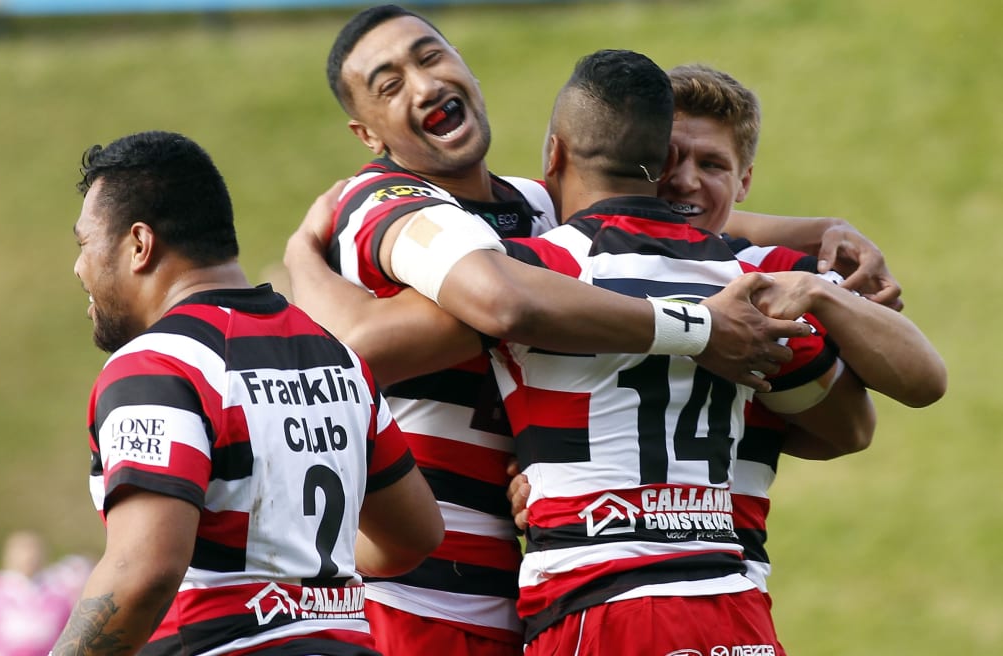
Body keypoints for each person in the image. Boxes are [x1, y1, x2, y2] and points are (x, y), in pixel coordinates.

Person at [289, 6, 827, 655]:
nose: (424, 84)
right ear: (367, 132)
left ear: (466, 68)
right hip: (415, 601)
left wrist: (824, 235)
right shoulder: (387, 204)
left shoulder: (534, 212)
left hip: (516, 595)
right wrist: (696, 325)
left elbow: (662, 226)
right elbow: (489, 305)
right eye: (390, 84)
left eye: (429, 57)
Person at [51, 130, 443, 656]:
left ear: (139, 245)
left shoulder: (156, 365)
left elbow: (141, 572)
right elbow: (414, 536)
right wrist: (296, 579)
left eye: (84, 245)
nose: (79, 268)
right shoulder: (337, 358)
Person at [656, 62, 947, 598]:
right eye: (669, 158)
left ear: (744, 181)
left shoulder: (774, 270)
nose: (686, 179)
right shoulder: (579, 256)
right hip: (590, 576)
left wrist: (820, 292)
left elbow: (924, 382)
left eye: (713, 163)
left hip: (732, 579)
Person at [0, 531, 73, 656]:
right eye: (22, 550)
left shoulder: (60, 592)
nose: (28, 556)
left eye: (33, 550)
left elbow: (73, 635)